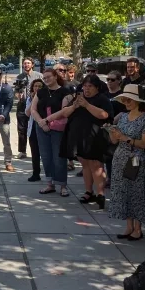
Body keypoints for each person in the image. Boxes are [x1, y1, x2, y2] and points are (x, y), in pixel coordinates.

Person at [47, 74, 113, 208]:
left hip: (96, 137)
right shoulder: (78, 98)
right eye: (85, 86)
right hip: (79, 136)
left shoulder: (102, 99)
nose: (87, 89)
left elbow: (105, 115)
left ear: (97, 88)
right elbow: (65, 113)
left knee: (96, 165)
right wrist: (74, 106)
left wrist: (87, 105)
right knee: (85, 164)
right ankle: (89, 192)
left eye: (90, 86)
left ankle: (101, 194)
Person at [107, 84, 145, 240]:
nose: (126, 102)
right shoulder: (123, 117)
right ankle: (128, 226)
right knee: (123, 192)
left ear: (138, 101)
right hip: (120, 157)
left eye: (130, 99)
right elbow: (114, 141)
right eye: (124, 99)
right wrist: (112, 132)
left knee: (136, 192)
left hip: (135, 158)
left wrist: (125, 138)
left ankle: (138, 229)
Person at [30, 68, 73, 196]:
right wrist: (41, 123)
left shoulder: (65, 92)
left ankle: (63, 186)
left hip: (58, 129)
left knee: (59, 157)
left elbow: (65, 111)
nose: (46, 79)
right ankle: (50, 184)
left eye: (49, 77)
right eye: (44, 78)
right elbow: (33, 110)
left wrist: (48, 121)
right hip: (42, 128)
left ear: (55, 76)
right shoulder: (41, 92)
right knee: (46, 157)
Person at [24, 79, 44, 182]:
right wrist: (32, 100)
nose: (37, 88)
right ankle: (36, 173)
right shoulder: (29, 99)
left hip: (44, 127)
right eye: (35, 86)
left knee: (45, 153)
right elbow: (27, 113)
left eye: (40, 86)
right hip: (33, 129)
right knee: (35, 153)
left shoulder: (45, 98)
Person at [16, 87, 29, 160]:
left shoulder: (38, 76)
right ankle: (22, 151)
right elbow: (16, 91)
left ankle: (38, 151)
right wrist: (18, 95)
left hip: (35, 104)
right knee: (21, 130)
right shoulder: (20, 78)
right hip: (22, 106)